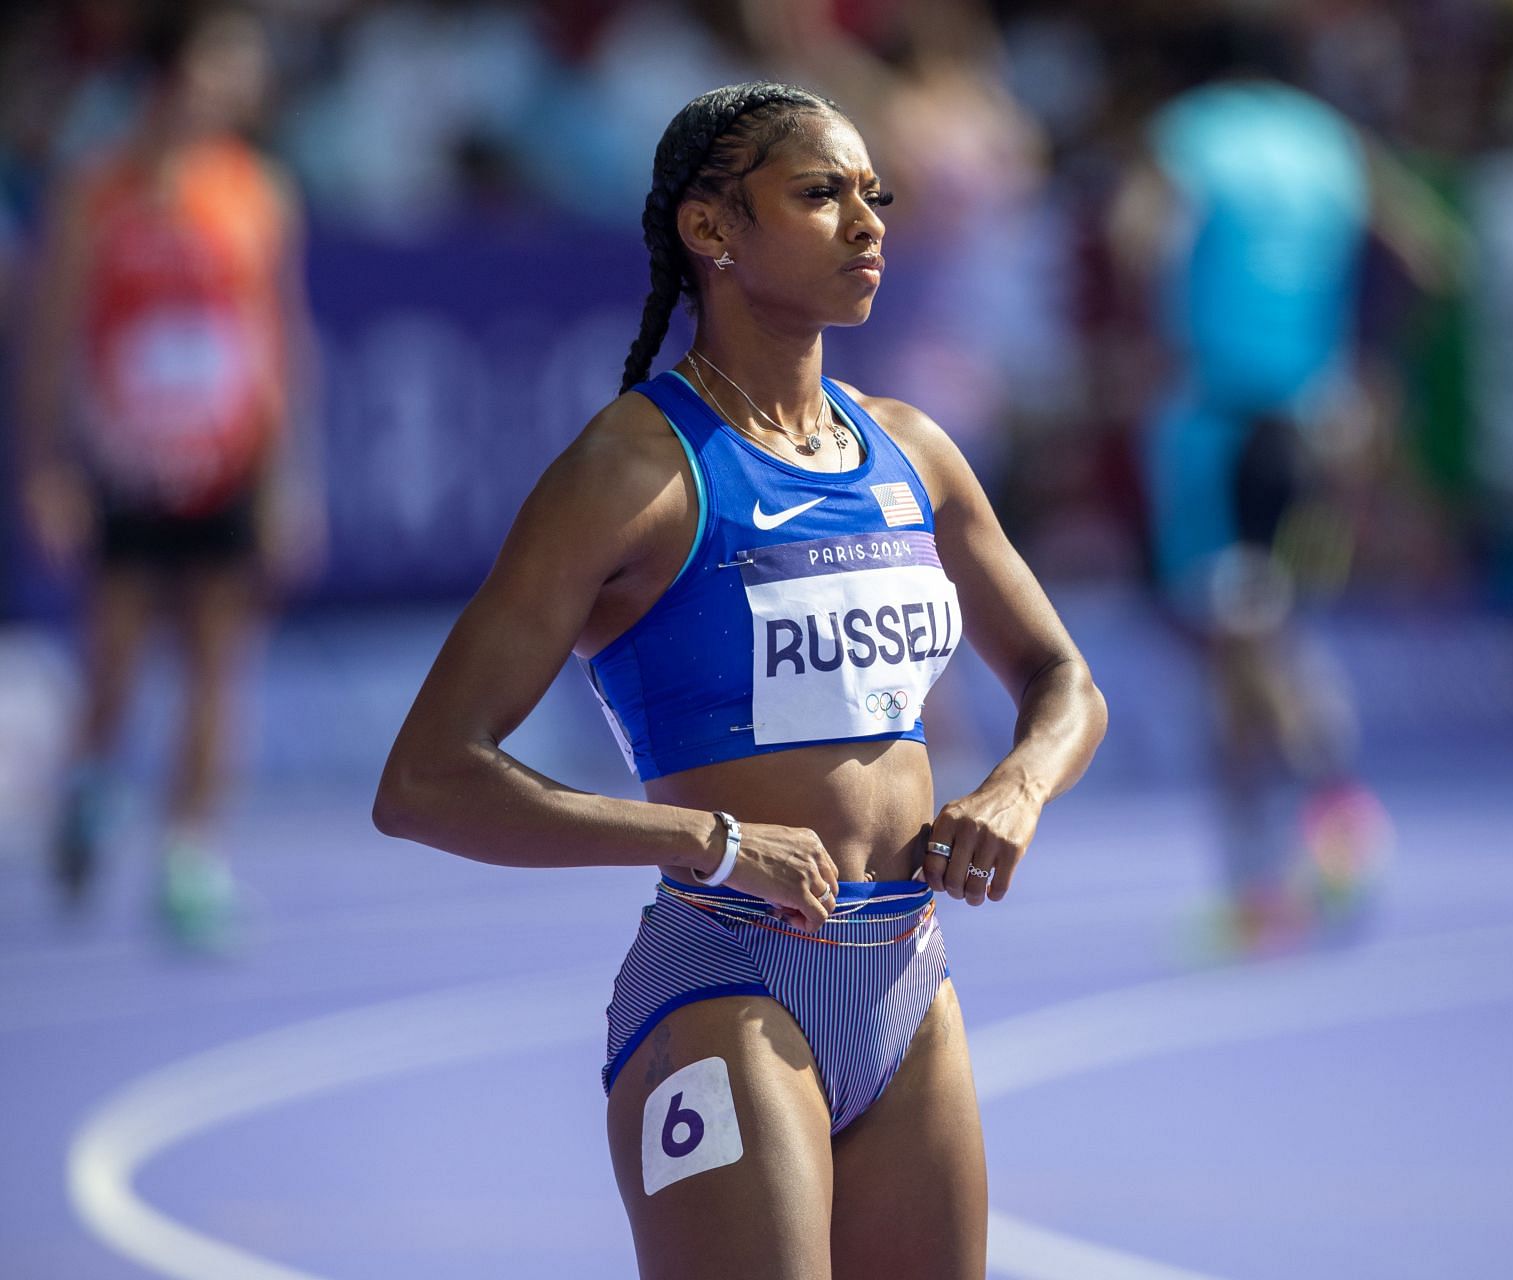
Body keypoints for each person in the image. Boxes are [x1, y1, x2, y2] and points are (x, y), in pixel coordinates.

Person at [372, 81, 1106, 1277]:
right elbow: (424, 780)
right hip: (728, 980)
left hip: (908, 976)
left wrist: (1017, 788)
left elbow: (1065, 676)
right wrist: (711, 840)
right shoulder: (630, 469)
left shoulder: (912, 450)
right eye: (821, 195)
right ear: (711, 231)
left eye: (875, 194)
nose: (868, 222)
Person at [1111, 24, 1465, 955]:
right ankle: (1256, 882)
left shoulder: (1191, 132)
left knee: (1244, 635)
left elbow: (1134, 236)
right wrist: (1370, 365)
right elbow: (1432, 254)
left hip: (1219, 418)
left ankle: (1335, 812)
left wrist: (1145, 333)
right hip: (1317, 415)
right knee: (1252, 639)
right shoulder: (1332, 140)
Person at [17, 0, 322, 951]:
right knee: (112, 663)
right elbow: (51, 337)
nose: (242, 79)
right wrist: (46, 468)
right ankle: (88, 784)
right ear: (174, 72)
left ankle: (189, 857)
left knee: (215, 660)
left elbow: (281, 343)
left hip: (226, 457)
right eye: (223, 59)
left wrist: (288, 478)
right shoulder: (92, 192)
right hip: (124, 458)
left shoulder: (258, 193)